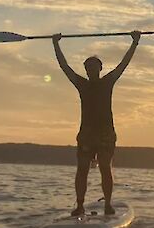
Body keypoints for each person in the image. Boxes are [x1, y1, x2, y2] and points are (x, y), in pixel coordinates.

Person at [53, 30, 141, 216]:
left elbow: (124, 63)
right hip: (87, 133)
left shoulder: (108, 82)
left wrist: (135, 42)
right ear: (86, 69)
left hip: (105, 133)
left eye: (94, 67)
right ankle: (79, 205)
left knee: (105, 167)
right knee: (82, 169)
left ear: (100, 69)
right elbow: (64, 66)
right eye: (88, 67)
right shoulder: (82, 84)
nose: (90, 70)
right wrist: (56, 44)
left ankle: (108, 204)